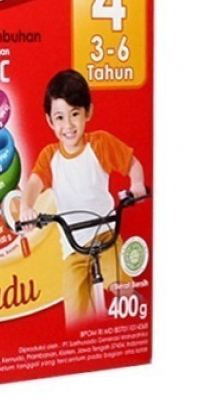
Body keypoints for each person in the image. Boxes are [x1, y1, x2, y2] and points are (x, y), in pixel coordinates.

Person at [20, 69, 146, 325]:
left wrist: (137, 184)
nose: (68, 126)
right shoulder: (50, 157)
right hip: (73, 245)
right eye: (60, 117)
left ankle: (135, 324)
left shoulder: (100, 144)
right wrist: (26, 208)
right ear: (50, 121)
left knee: (120, 284)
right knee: (76, 311)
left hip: (106, 234)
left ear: (88, 112)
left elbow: (132, 164)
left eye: (75, 114)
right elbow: (34, 183)